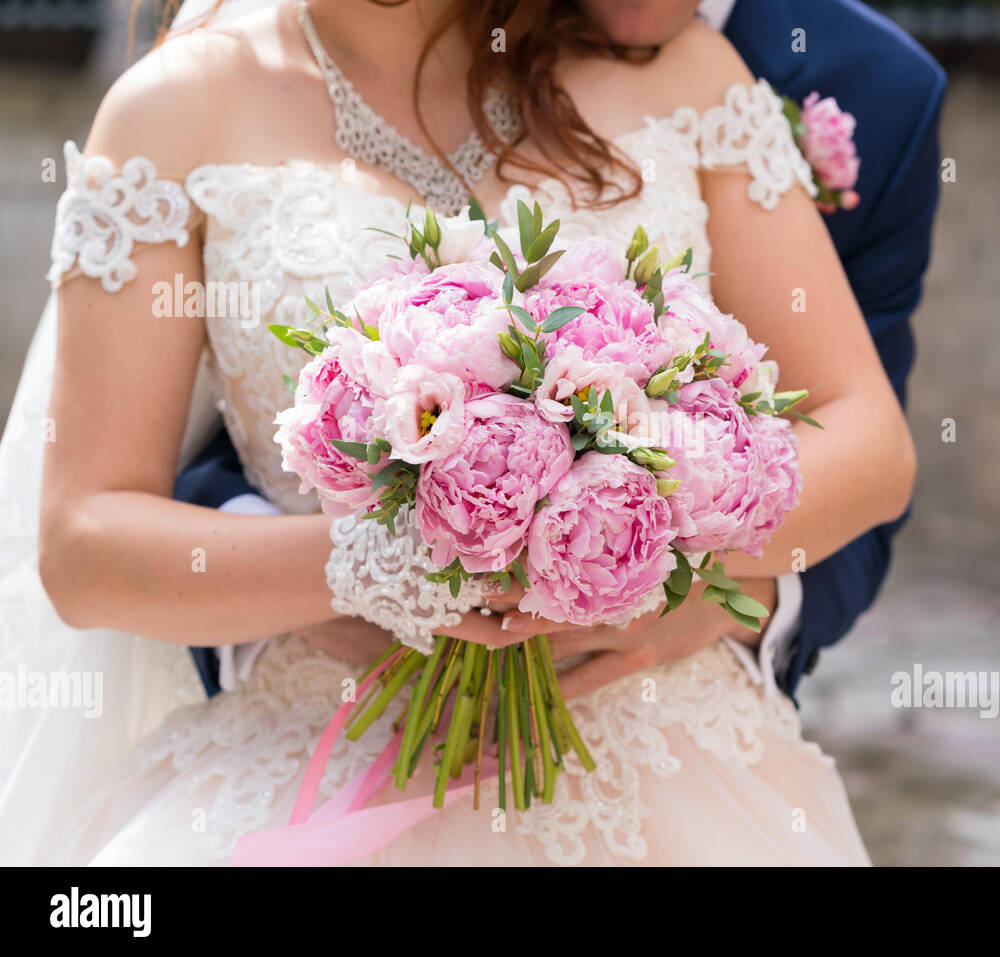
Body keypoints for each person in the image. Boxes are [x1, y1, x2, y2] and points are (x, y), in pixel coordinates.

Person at [0, 0, 923, 865]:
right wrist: (368, 570)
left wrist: (656, 571)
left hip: (665, 757)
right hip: (329, 750)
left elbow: (868, 442)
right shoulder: (174, 115)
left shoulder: (677, 74)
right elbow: (85, 542)